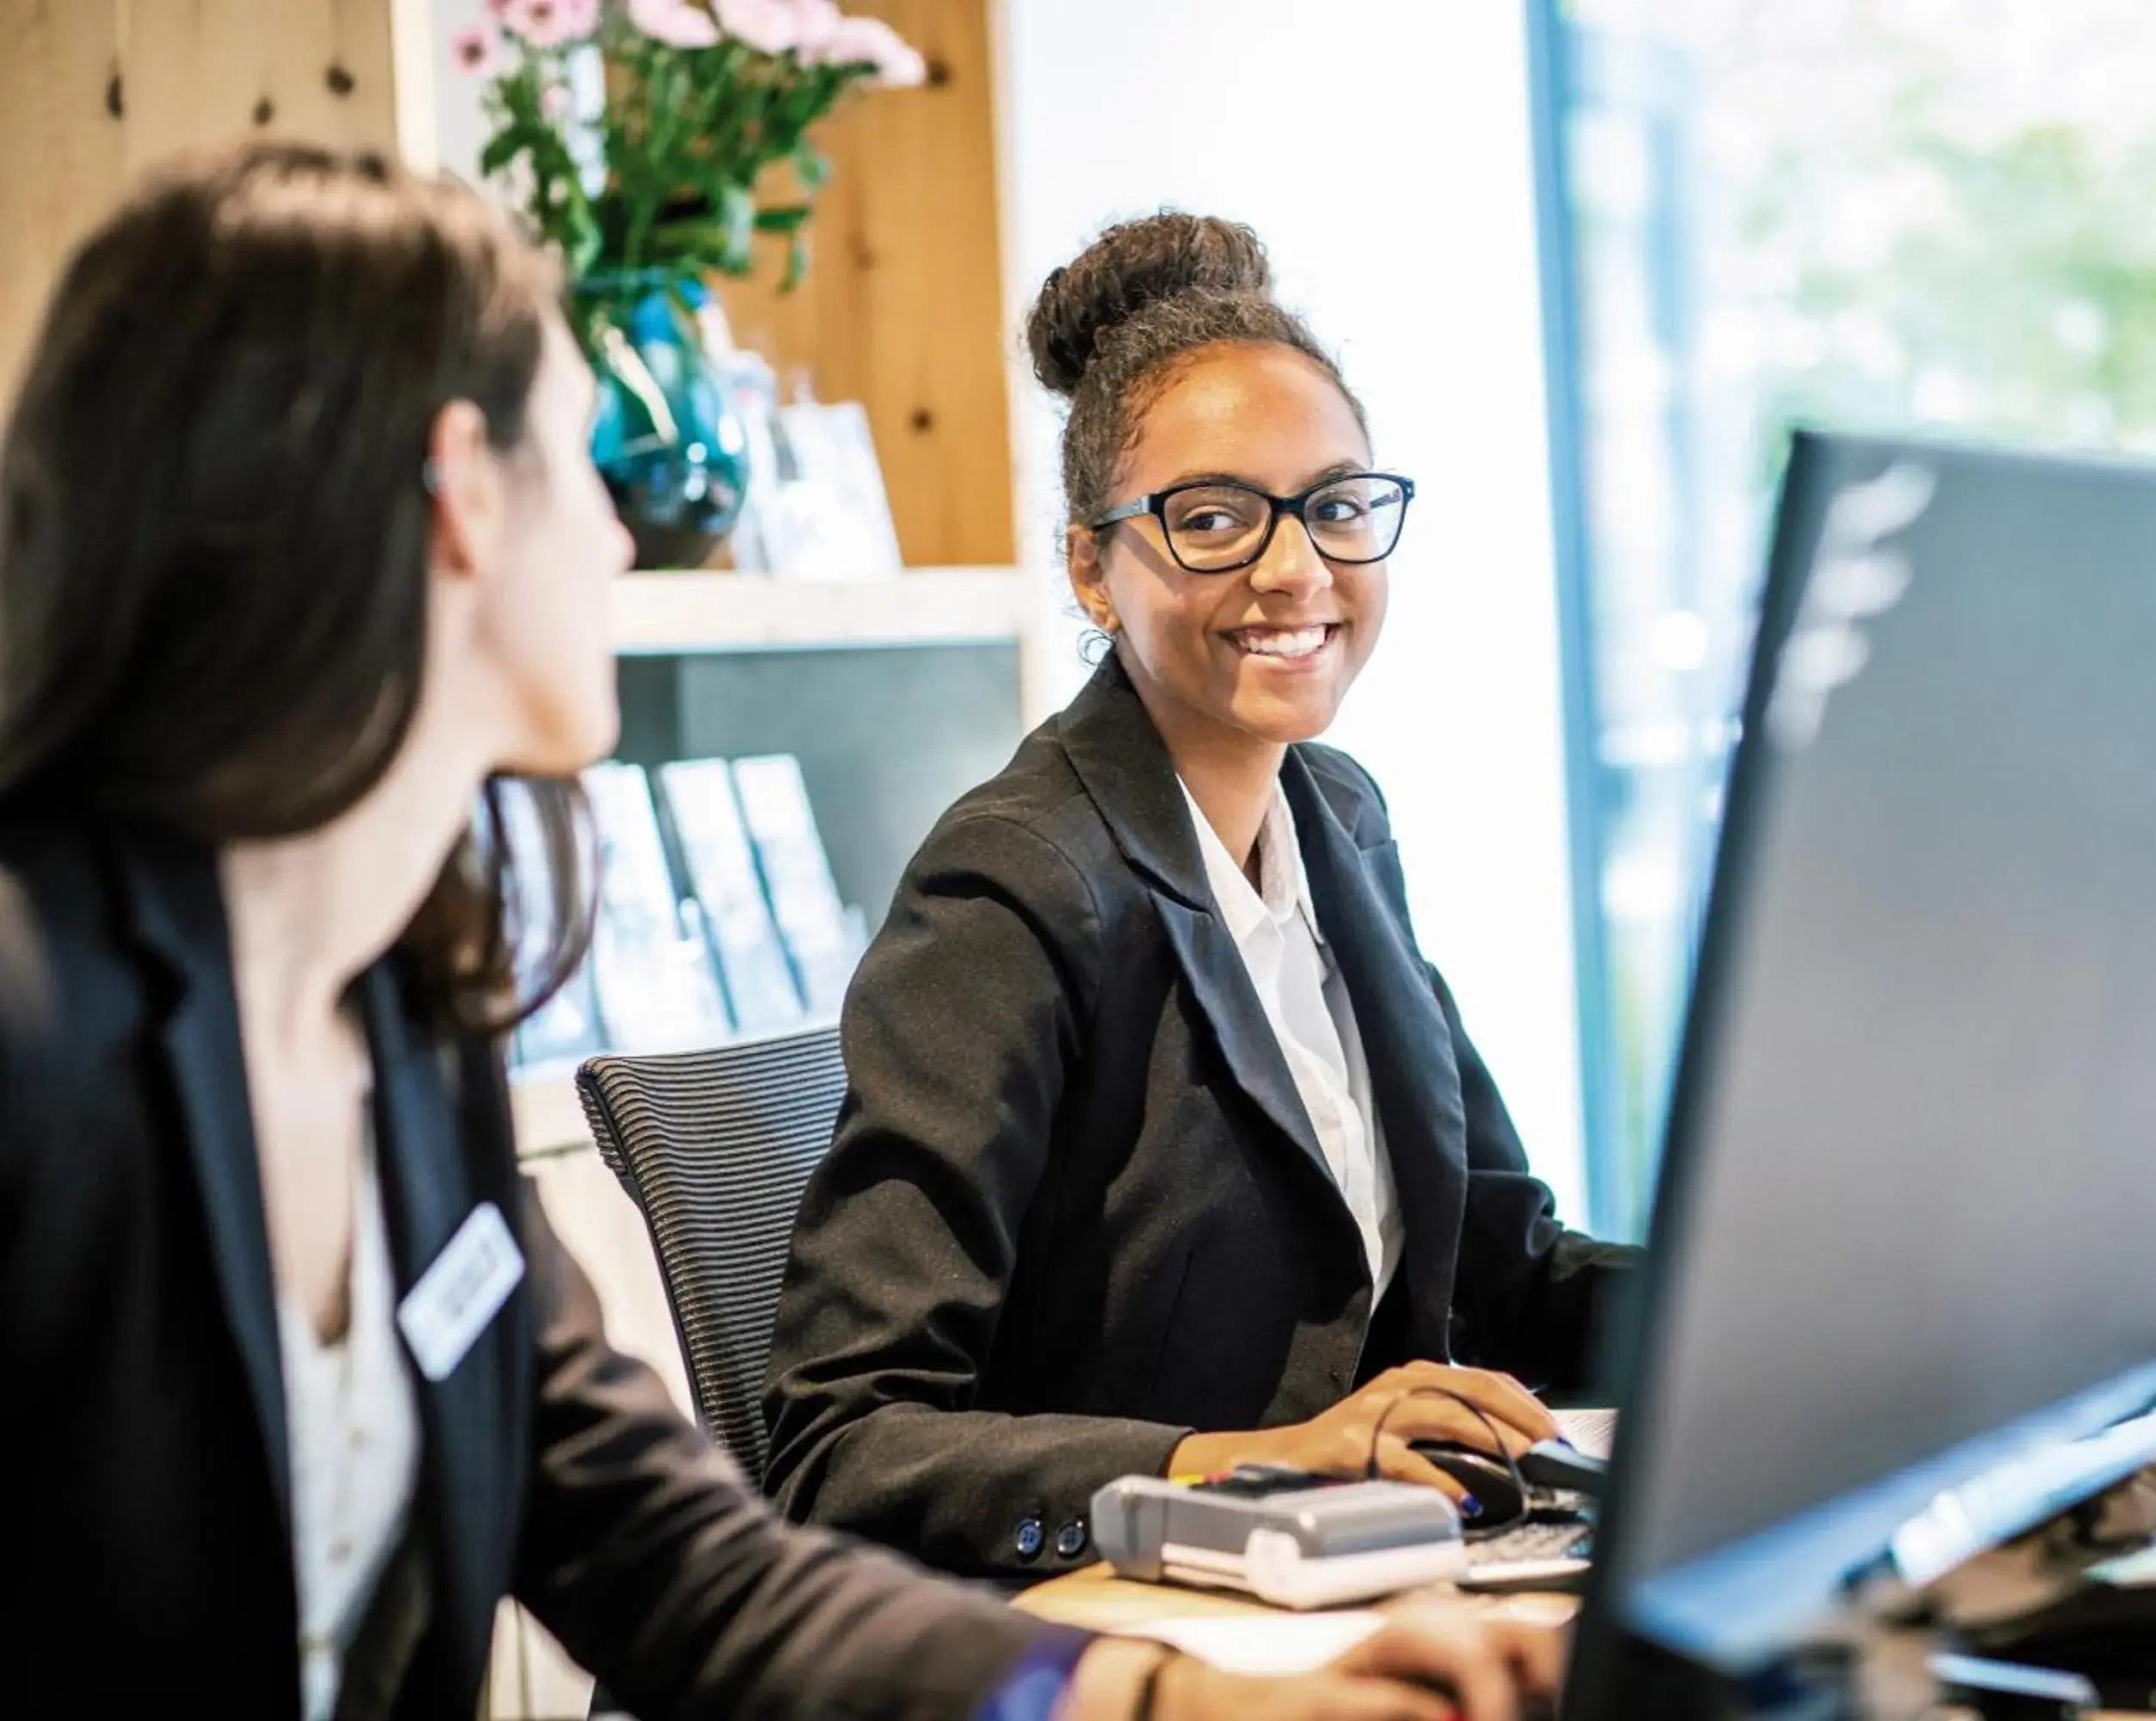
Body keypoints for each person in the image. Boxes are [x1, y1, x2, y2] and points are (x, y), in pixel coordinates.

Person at [0, 142, 1562, 1721]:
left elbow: (681, 1567)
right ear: (463, 492)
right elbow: (839, 1452)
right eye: (581, 465)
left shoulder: (397, 1026)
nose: (621, 542)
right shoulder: (38, 1035)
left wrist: (1165, 1702)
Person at [764, 213, 1637, 1581]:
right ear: (1090, 570)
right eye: (1213, 520)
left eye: (1336, 507)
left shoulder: (1338, 819)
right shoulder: (1013, 885)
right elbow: (843, 1446)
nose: (1296, 570)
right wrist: (1248, 1467)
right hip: (1100, 1621)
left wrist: (1797, 1309)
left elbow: (1501, 1279)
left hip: (1352, 1584)